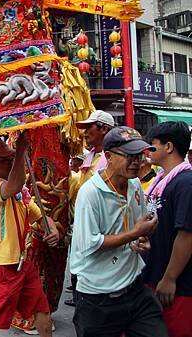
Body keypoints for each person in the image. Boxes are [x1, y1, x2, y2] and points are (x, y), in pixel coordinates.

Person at [70, 126, 167, 337]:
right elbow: (90, 244)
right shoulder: (90, 193)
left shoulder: (134, 185)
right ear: (109, 157)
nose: (136, 162)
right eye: (129, 156)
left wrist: (142, 238)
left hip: (134, 288)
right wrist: (133, 234)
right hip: (99, 298)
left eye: (139, 155)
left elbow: (137, 227)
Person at [0, 135, 60, 337]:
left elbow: (40, 216)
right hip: (0, 265)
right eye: (5, 160)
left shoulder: (20, 194)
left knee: (42, 309)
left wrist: (52, 229)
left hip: (22, 263)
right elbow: (14, 185)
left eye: (12, 158)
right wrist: (22, 151)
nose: (10, 162)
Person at [144, 121, 192, 337]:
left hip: (178, 285)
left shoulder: (185, 183)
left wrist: (170, 277)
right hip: (154, 274)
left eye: (152, 145)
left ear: (169, 147)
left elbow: (186, 234)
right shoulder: (161, 180)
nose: (148, 151)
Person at [64, 110, 115, 307]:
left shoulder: (112, 159)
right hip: (83, 227)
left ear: (104, 129)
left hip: (101, 231)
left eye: (89, 127)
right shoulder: (91, 157)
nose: (85, 133)